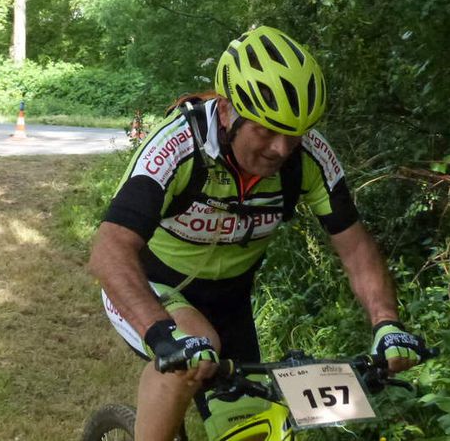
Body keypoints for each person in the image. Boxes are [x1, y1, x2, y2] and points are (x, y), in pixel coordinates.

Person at [88, 25, 428, 441]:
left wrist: (387, 324)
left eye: (294, 133)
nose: (281, 149)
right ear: (228, 111)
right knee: (188, 353)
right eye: (267, 130)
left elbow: (355, 247)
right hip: (147, 286)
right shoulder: (177, 147)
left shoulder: (310, 158)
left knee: (252, 426)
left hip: (230, 301)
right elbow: (110, 250)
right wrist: (161, 334)